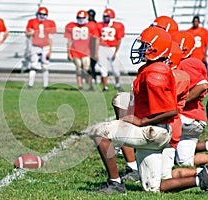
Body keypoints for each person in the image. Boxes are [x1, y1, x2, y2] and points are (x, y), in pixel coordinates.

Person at [87, 26, 178, 194]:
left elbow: (171, 110)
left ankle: (114, 183)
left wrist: (141, 121)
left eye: (146, 46)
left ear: (157, 49)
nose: (141, 49)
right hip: (158, 131)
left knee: (99, 132)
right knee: (153, 189)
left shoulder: (155, 75)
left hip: (152, 131)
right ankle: (200, 178)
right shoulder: (155, 68)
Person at [171, 30, 208, 167]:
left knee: (153, 122)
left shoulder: (186, 64)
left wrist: (179, 103)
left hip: (188, 116)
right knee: (184, 162)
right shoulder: (189, 63)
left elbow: (202, 86)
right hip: (193, 118)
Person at [64, 10, 99, 91]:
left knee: (87, 69)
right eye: (79, 18)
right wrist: (68, 52)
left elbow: (96, 39)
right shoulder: (71, 26)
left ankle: (89, 85)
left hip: (86, 51)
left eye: (83, 18)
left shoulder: (91, 25)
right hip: (75, 51)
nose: (81, 19)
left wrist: (95, 52)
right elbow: (69, 41)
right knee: (79, 70)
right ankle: (80, 86)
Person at [25, 7, 56, 89]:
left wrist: (50, 50)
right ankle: (30, 84)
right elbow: (27, 34)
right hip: (35, 45)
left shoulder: (50, 23)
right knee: (33, 65)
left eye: (44, 14)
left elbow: (51, 37)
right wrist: (30, 33)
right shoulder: (32, 21)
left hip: (45, 46)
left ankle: (45, 85)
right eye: (41, 14)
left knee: (45, 66)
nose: (42, 16)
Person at [97, 8, 125, 92]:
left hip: (112, 47)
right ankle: (105, 87)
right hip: (102, 47)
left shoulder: (118, 25)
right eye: (104, 16)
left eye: (107, 16)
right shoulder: (99, 25)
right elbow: (97, 38)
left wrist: (116, 52)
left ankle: (117, 84)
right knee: (103, 68)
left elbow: (119, 39)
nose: (105, 18)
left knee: (116, 69)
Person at [87, 9, 98, 84]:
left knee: (92, 66)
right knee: (87, 66)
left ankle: (93, 80)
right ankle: (89, 81)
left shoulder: (95, 24)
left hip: (93, 47)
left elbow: (96, 38)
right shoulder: (86, 24)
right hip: (87, 47)